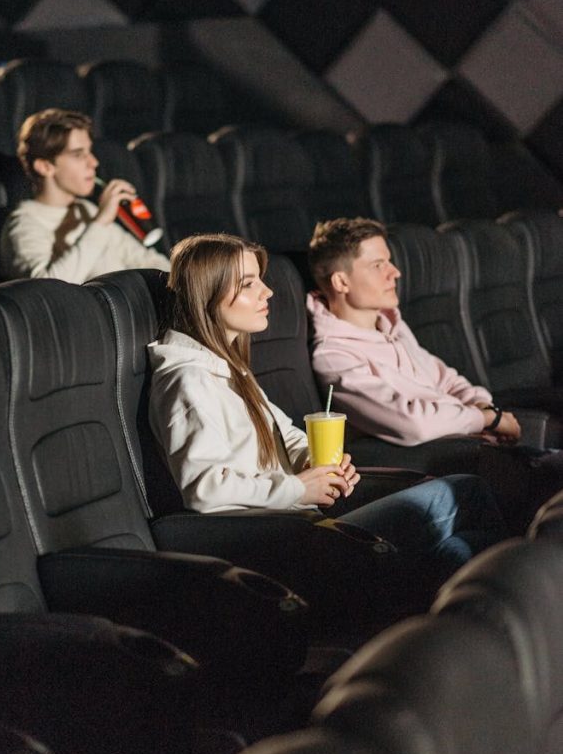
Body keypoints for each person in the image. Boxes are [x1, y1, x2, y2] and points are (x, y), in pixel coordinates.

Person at [148, 233, 504, 598]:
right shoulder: (188, 380)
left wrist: (318, 464)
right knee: (463, 491)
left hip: (301, 521)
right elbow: (204, 490)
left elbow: (282, 433)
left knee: (460, 550)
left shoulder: (227, 368)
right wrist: (300, 487)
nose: (267, 293)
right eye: (249, 284)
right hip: (278, 542)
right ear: (208, 294)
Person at [306, 217, 563, 530]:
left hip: (466, 439)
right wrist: (485, 419)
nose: (395, 272)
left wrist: (484, 408)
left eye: (390, 262)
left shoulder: (390, 326)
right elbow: (412, 421)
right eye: (378, 265)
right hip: (435, 458)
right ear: (341, 282)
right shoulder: (334, 356)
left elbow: (446, 378)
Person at [0, 108, 170, 283]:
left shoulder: (86, 209)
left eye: (90, 152)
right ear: (45, 167)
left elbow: (145, 260)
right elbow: (48, 287)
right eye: (79, 155)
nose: (94, 163)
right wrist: (100, 222)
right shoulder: (24, 222)